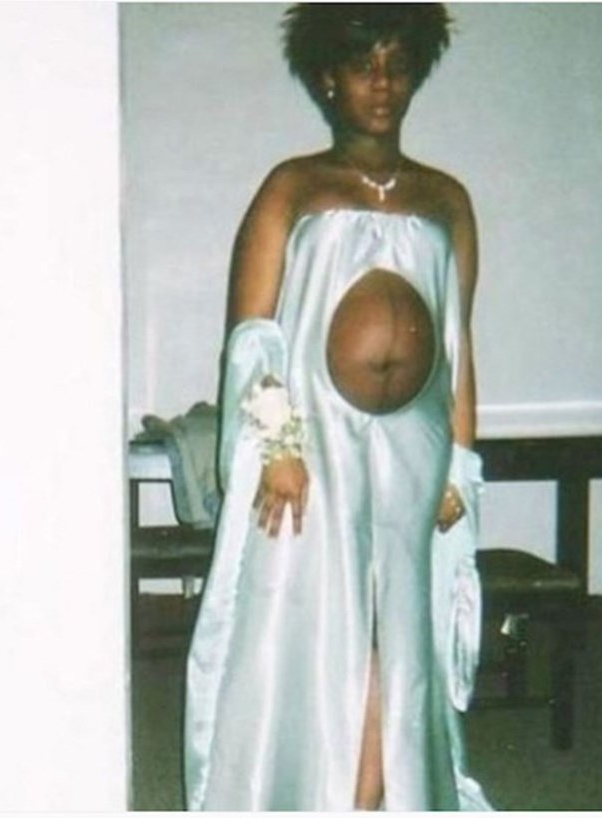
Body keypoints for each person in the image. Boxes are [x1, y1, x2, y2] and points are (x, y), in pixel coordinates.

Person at [185, 4, 491, 810]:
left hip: (417, 443)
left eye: (397, 65)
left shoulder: (447, 198)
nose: (382, 83)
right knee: (322, 625)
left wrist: (461, 462)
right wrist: (278, 444)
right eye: (363, 66)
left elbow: (458, 343)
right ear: (328, 79)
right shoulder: (293, 186)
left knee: (401, 627)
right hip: (313, 442)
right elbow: (253, 336)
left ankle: (380, 792)